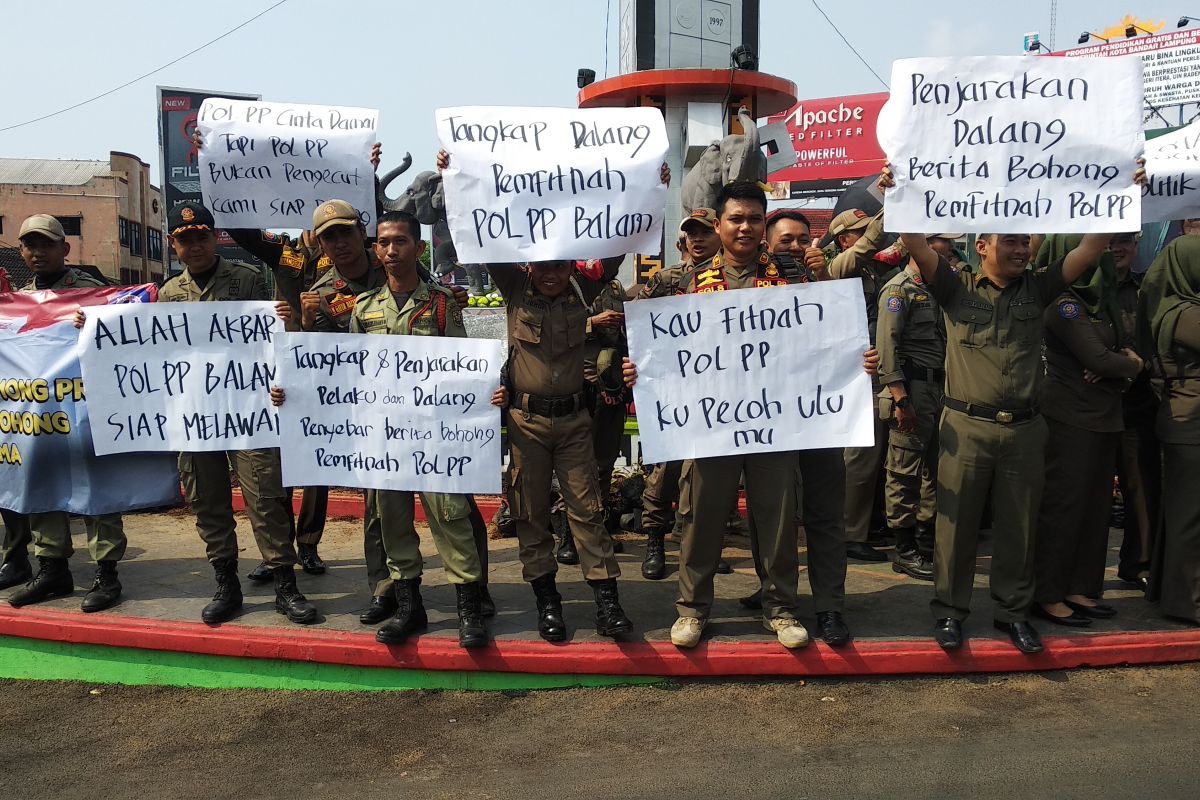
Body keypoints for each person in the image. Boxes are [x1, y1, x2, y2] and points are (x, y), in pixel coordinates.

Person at [887, 166, 1134, 653]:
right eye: (1011, 241)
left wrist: (1121, 194)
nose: (1022, 249)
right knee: (954, 528)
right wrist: (898, 189)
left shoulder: (1039, 288)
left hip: (1025, 431)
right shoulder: (955, 290)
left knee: (1019, 528)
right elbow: (914, 242)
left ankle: (1013, 612)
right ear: (982, 245)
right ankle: (951, 613)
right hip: (965, 426)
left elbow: (1088, 250)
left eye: (1026, 242)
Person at [624, 182, 878, 650]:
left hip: (774, 422)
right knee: (699, 517)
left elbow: (828, 336)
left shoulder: (794, 277)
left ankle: (780, 610)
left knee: (777, 518)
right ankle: (692, 610)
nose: (745, 227)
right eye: (736, 218)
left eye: (754, 219)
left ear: (764, 226)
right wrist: (636, 367)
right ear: (718, 225)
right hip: (710, 423)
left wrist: (856, 360)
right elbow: (654, 342)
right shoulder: (683, 281)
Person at [434, 149, 669, 641]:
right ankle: (547, 602)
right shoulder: (515, 290)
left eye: (557, 264)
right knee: (530, 514)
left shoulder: (584, 288)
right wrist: (455, 177)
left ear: (569, 263)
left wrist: (653, 187)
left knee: (588, 513)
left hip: (575, 426)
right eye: (540, 264)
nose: (548, 271)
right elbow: (484, 231)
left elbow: (619, 242)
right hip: (526, 427)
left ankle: (607, 603)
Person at [271, 211, 503, 647]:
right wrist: (294, 393)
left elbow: (466, 367)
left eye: (400, 241)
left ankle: (469, 609)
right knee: (391, 520)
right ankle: (409, 607)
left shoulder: (442, 303)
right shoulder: (363, 307)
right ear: (376, 249)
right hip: (383, 439)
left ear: (418, 247)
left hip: (434, 437)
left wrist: (489, 393)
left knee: (450, 517)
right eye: (385, 243)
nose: (391, 250)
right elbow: (340, 373)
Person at [157, 201, 316, 625]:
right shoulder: (168, 294)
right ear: (174, 245)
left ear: (214, 237)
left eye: (202, 236)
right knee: (208, 501)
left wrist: (280, 321)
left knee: (265, 497)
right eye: (185, 239)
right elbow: (153, 354)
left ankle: (286, 585)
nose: (194, 245)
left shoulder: (245, 279)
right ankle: (227, 584)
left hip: (248, 412)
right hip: (196, 417)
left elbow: (267, 341)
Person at [739, 208, 855, 646]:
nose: (795, 246)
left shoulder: (830, 285)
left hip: (821, 416)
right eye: (785, 239)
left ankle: (829, 606)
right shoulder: (746, 289)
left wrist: (823, 281)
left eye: (803, 238)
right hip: (768, 421)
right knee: (771, 518)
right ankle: (774, 593)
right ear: (767, 244)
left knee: (825, 515)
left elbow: (849, 335)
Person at [8, 214, 126, 612]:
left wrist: (95, 322)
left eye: (46, 244)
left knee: (96, 487)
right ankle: (52, 568)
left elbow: (120, 340)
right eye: (30, 245)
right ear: (21, 251)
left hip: (85, 409)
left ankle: (106, 574)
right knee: (41, 483)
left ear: (65, 249)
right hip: (39, 413)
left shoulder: (91, 294)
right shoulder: (18, 302)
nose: (38, 252)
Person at [1032, 236, 1144, 627]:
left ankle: (1080, 586)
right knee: (1065, 507)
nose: (1106, 254)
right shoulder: (1064, 303)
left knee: (1095, 509)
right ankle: (1048, 592)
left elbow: (1127, 348)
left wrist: (1124, 362)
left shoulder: (1104, 300)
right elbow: (1099, 357)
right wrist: (1127, 363)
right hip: (1070, 418)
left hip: (1104, 414)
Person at [636, 209, 721, 580]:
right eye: (691, 234)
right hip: (672, 389)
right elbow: (639, 322)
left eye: (704, 232)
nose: (697, 239)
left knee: (705, 476)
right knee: (663, 471)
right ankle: (655, 541)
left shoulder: (735, 279)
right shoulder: (668, 279)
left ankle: (697, 547)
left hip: (717, 390)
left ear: (719, 234)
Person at [876, 235, 948, 581]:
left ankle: (927, 541)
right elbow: (886, 346)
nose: (944, 248)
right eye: (936, 242)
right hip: (912, 389)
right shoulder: (898, 290)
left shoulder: (940, 286)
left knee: (937, 469)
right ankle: (904, 549)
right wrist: (900, 397)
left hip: (940, 388)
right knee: (903, 472)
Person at [826, 209, 893, 562]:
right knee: (860, 459)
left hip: (876, 371)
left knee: (876, 456)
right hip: (855, 376)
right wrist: (890, 200)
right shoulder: (840, 266)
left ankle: (867, 524)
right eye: (860, 232)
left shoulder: (873, 269)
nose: (870, 236)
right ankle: (850, 534)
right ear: (843, 240)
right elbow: (871, 244)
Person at [1141, 236, 1200, 623]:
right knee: (1190, 517)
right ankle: (1188, 601)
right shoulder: (1185, 314)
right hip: (1189, 421)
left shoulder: (1173, 305)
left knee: (1181, 511)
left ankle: (1168, 588)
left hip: (1185, 418)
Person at [1111, 232, 1160, 590]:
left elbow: (1157, 344)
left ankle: (1138, 564)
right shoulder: (1080, 289)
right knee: (1081, 494)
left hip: (1135, 404)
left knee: (1140, 488)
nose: (1117, 247)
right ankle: (1076, 576)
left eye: (1125, 240)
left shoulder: (1146, 293)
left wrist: (1137, 364)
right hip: (1086, 404)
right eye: (1110, 239)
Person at [584, 271, 630, 544]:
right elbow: (549, 328)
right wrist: (591, 323)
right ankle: (570, 532)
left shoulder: (613, 286)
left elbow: (625, 333)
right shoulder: (563, 280)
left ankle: (597, 530)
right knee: (576, 466)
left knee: (604, 463)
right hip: (578, 386)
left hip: (611, 386)